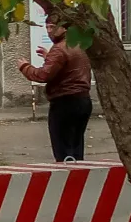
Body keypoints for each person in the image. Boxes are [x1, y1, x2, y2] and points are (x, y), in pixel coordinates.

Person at [18, 16, 93, 162]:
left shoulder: (59, 49)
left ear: (64, 28)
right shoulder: (77, 44)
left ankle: (68, 179)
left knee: (63, 149)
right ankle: (79, 177)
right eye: (47, 27)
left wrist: (25, 67)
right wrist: (49, 57)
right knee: (76, 146)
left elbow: (43, 75)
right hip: (83, 100)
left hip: (65, 101)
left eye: (53, 27)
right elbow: (68, 66)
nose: (49, 31)